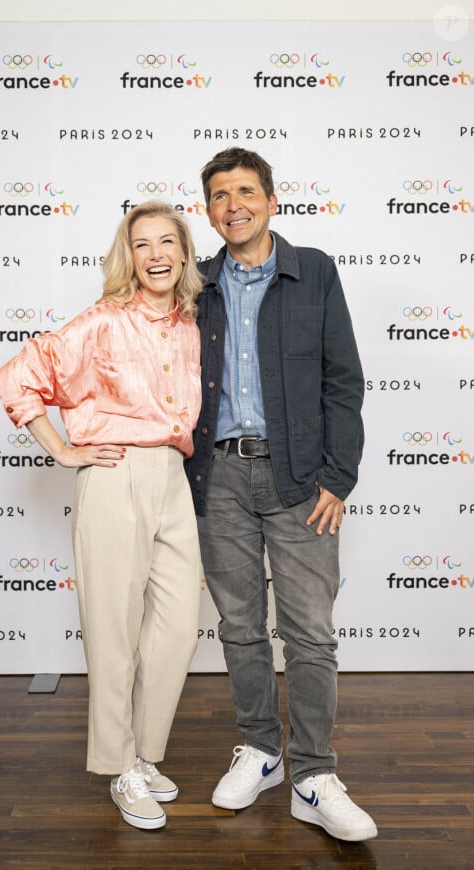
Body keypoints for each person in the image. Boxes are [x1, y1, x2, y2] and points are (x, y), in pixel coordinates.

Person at [185, 148, 378, 842]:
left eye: (244, 191)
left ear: (271, 199)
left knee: (309, 634)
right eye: (217, 195)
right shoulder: (193, 283)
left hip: (301, 479)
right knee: (238, 627)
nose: (232, 204)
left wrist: (339, 475)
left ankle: (315, 775)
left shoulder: (315, 270)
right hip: (219, 479)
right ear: (206, 210)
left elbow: (343, 380)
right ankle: (262, 752)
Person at [0, 201, 203, 831]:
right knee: (114, 629)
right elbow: (17, 376)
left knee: (176, 628)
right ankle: (119, 769)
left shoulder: (195, 323)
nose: (157, 254)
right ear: (128, 256)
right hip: (114, 478)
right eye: (143, 245)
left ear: (186, 252)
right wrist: (62, 449)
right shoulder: (103, 321)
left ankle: (144, 754)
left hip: (174, 477)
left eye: (168, 242)